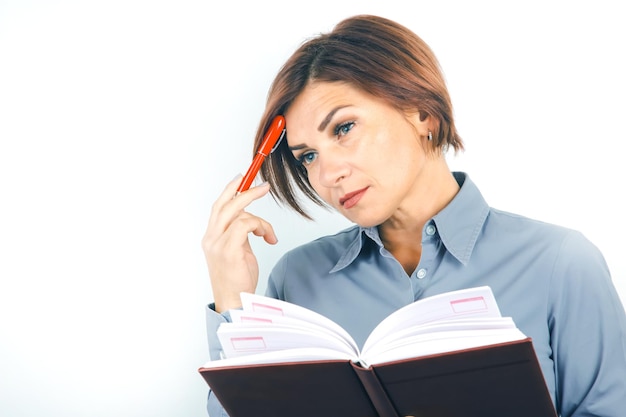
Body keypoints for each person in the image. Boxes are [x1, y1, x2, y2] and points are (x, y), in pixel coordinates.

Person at [202, 14, 626, 417]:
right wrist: (233, 302)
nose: (329, 173)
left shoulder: (559, 264)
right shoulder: (298, 278)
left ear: (422, 113)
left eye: (344, 128)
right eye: (308, 156)